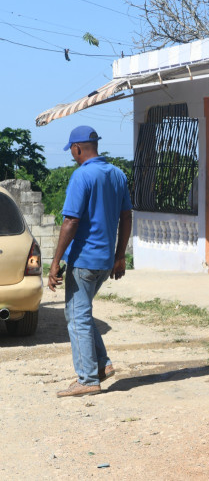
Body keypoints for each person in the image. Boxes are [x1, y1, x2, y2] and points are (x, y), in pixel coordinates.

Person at [48, 125, 133, 398]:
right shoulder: (117, 174)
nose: (72, 155)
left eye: (72, 151)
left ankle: (87, 379)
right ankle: (102, 365)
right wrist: (120, 256)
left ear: (77, 148)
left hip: (84, 260)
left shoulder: (81, 176)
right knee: (81, 313)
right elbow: (127, 217)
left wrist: (55, 262)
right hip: (106, 261)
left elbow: (71, 220)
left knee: (77, 317)